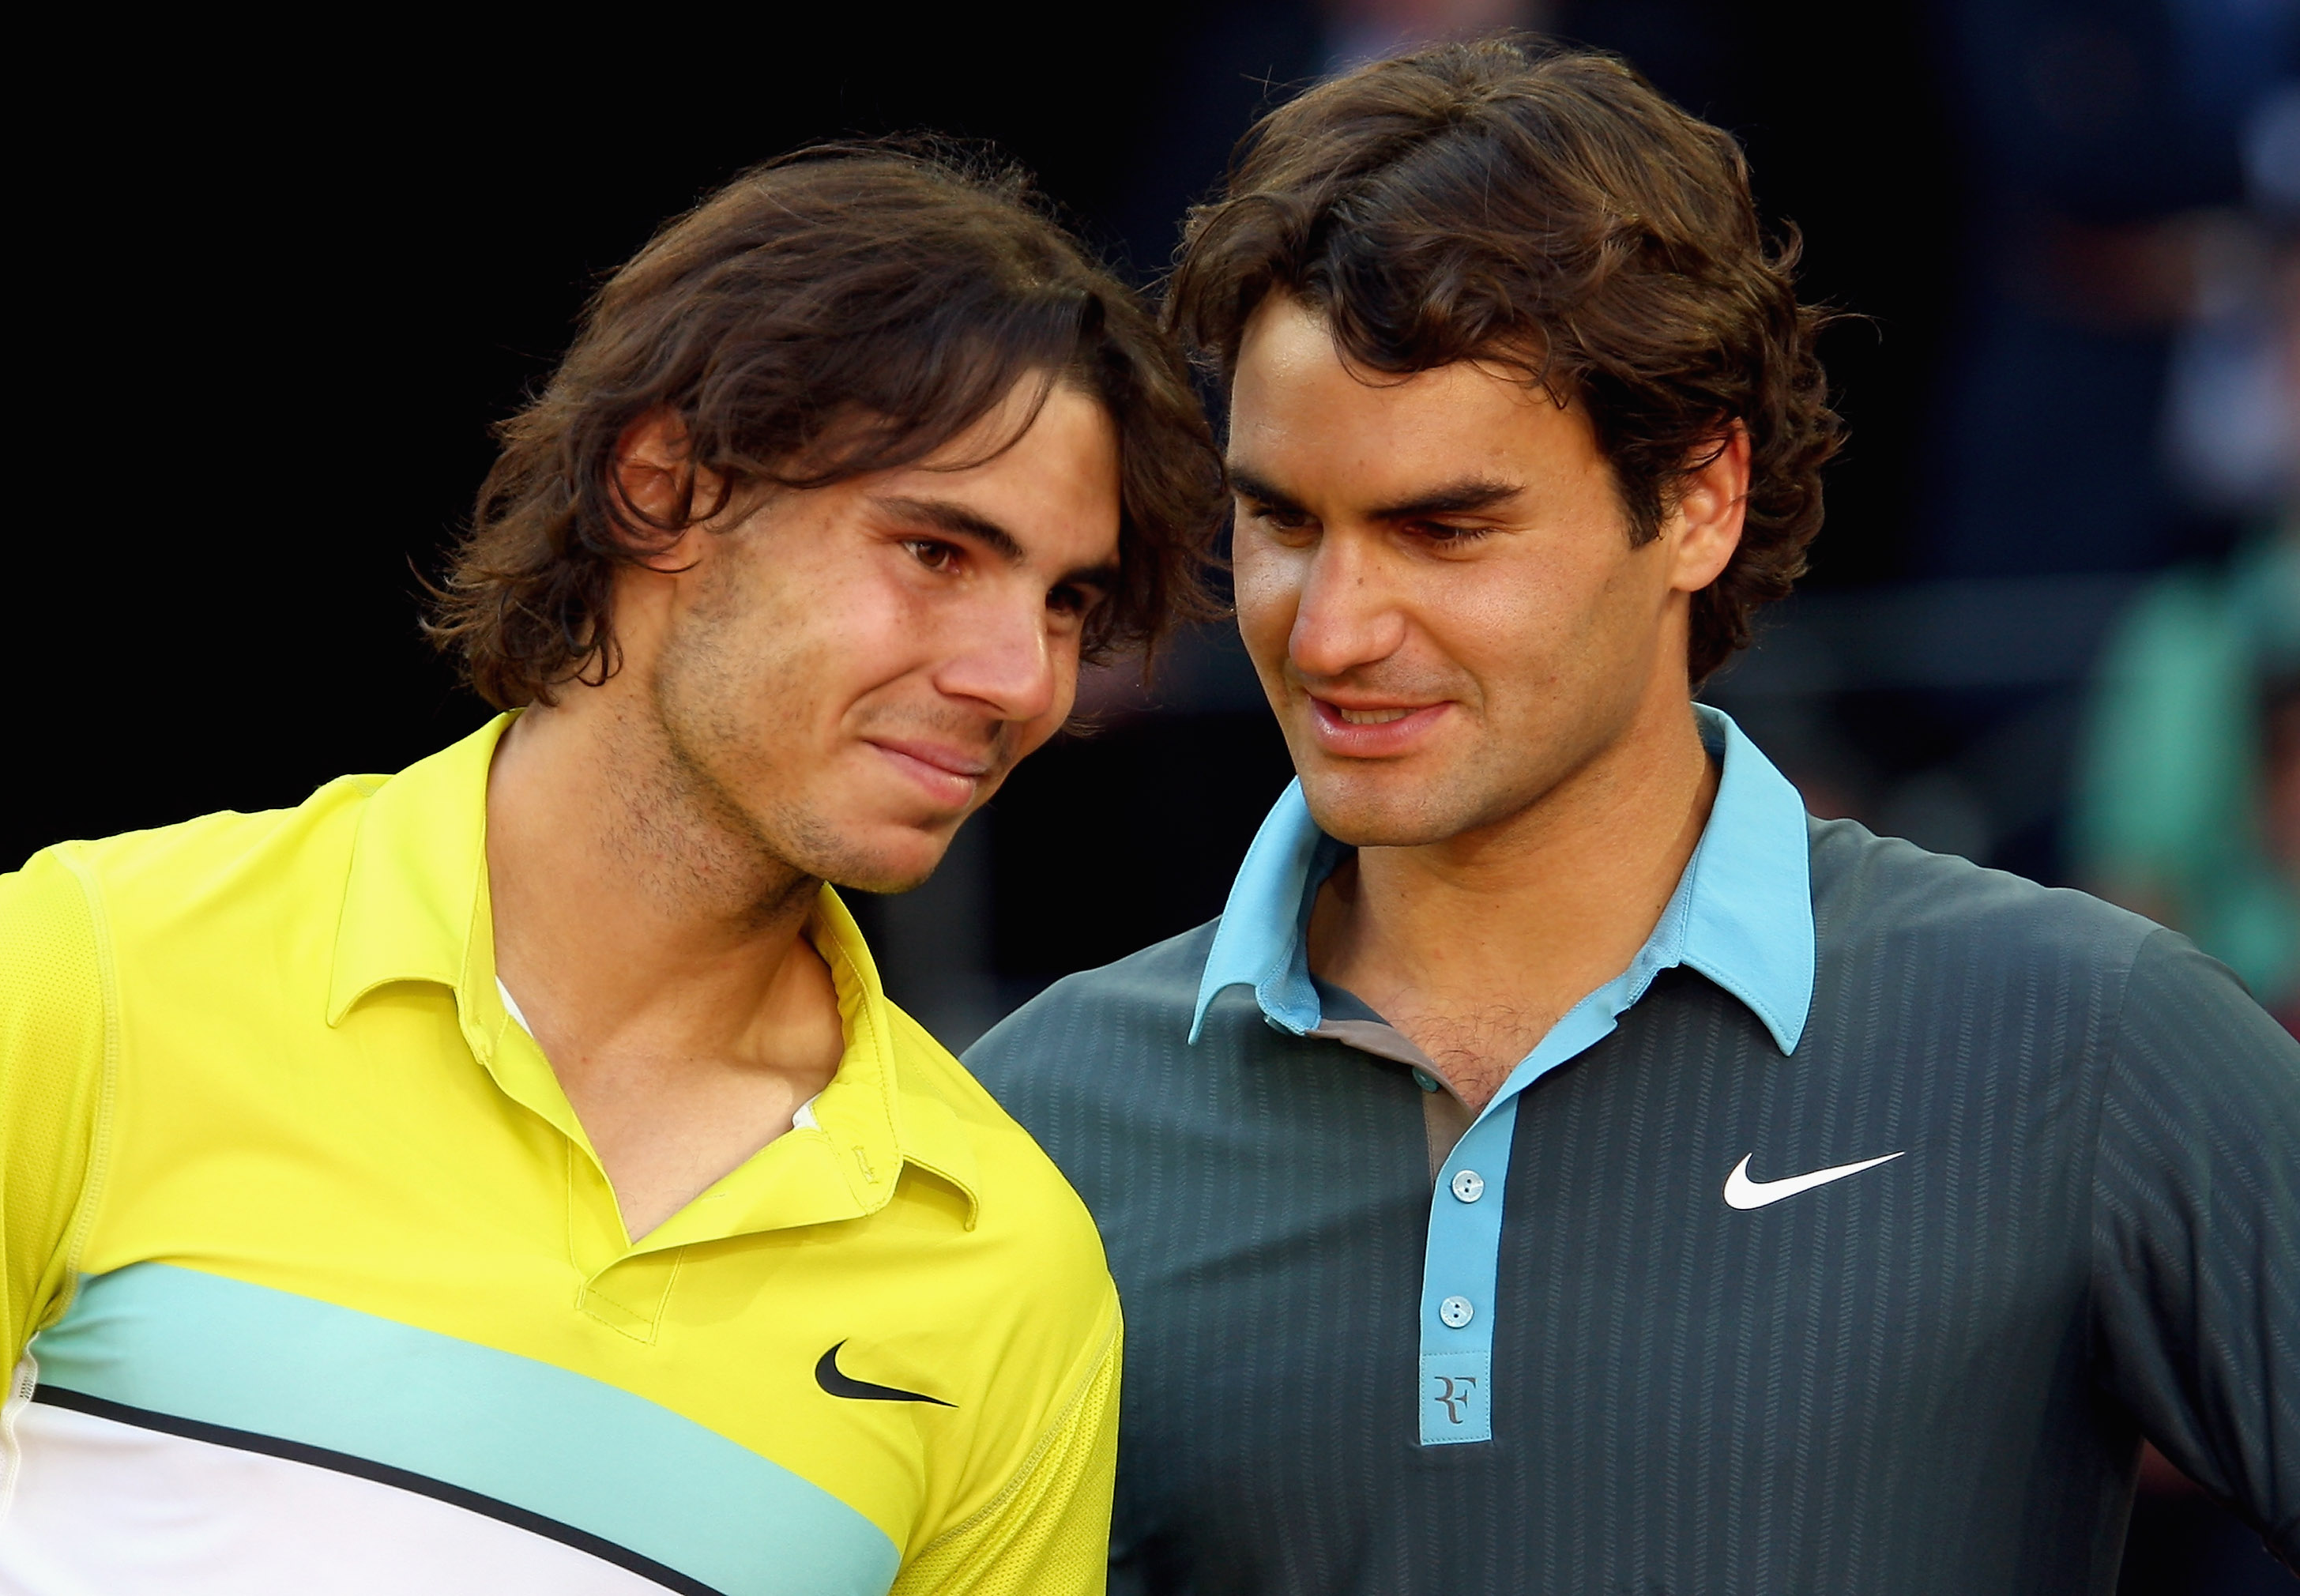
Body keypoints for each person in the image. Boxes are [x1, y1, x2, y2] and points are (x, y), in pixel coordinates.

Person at [967, 38, 2299, 1593]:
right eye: (1281, 520)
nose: (1329, 629)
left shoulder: (2089, 1039)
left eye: (1444, 527)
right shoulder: (1034, 1122)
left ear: (1698, 500)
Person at [0, 144, 1223, 1594]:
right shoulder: (90, 974)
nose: (1017, 678)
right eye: (936, 551)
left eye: (1069, 604)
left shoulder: (1013, 1269)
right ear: (663, 490)